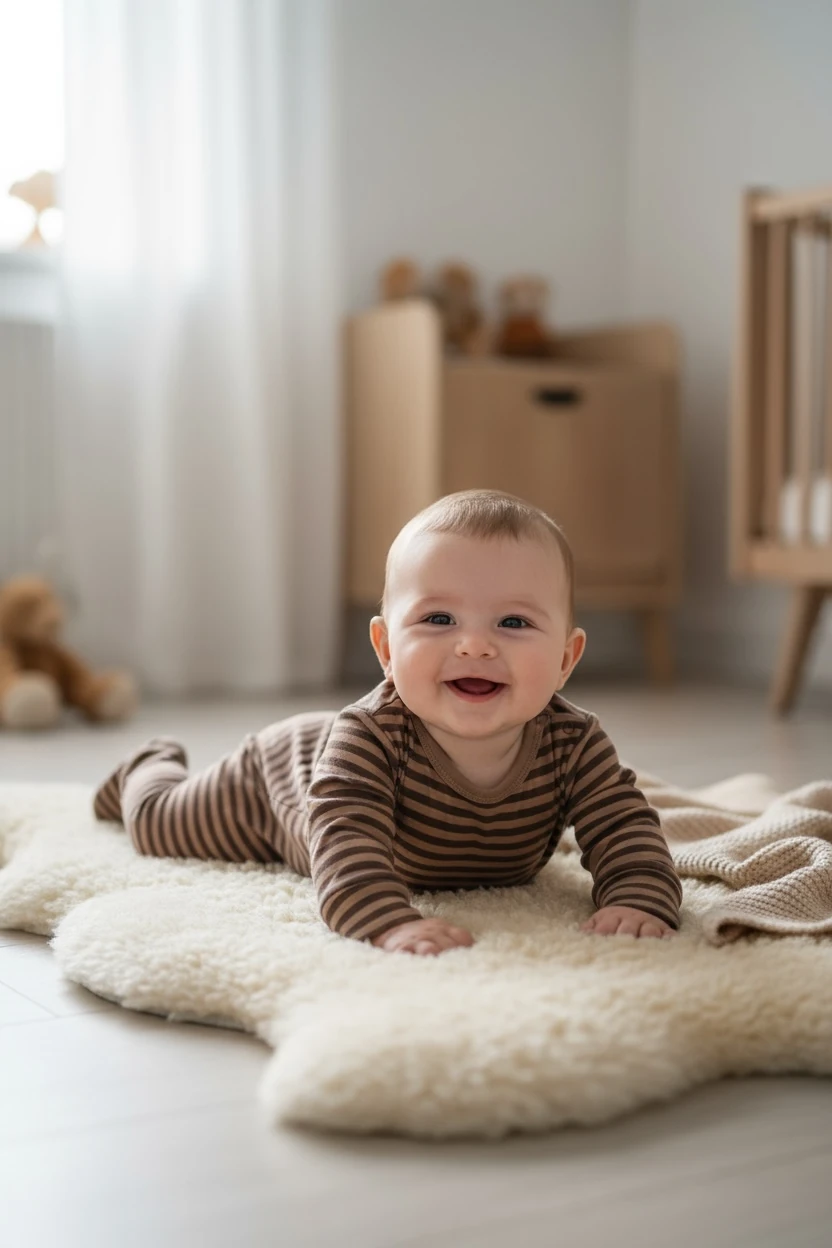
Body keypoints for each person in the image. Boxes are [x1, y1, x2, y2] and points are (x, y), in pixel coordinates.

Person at [93, 489, 683, 957]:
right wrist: (388, 922)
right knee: (157, 826)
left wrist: (638, 898)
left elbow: (624, 826)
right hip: (275, 781)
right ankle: (149, 765)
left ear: (565, 659)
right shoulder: (370, 738)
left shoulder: (574, 741)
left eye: (513, 623)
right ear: (385, 649)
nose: (474, 646)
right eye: (439, 619)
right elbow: (346, 841)